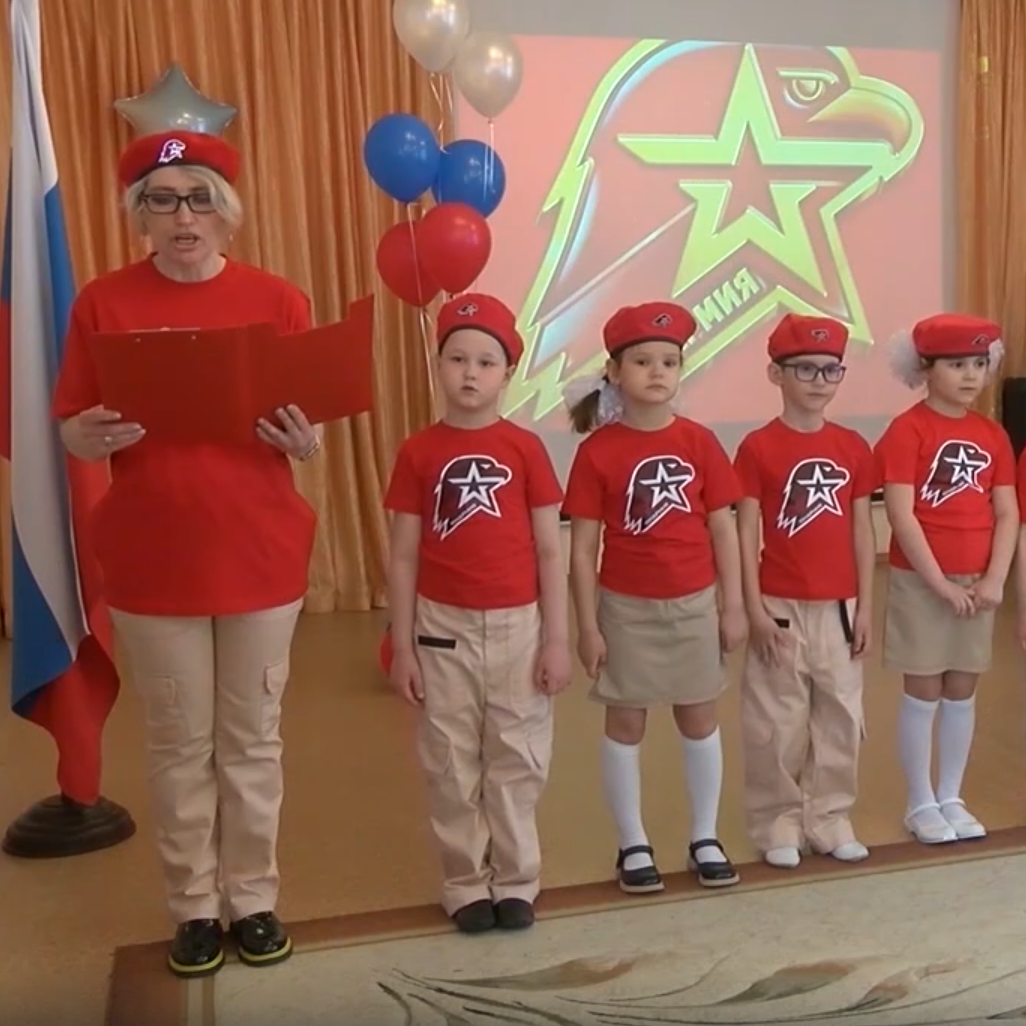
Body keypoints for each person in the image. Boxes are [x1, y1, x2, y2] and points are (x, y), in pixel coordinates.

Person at [52, 129, 322, 977]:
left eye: (200, 198)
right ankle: (195, 909)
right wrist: (86, 435)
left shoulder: (278, 300)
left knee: (252, 740)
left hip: (259, 554)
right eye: (162, 201)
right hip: (152, 559)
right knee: (177, 744)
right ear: (140, 214)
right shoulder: (103, 303)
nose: (183, 217)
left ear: (227, 212)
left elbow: (308, 425)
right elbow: (70, 423)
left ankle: (254, 900)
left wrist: (305, 440)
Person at [383, 293, 572, 935]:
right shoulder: (418, 451)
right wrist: (403, 645)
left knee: (517, 755)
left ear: (507, 373)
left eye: (486, 362)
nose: (470, 373)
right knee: (450, 759)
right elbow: (403, 555)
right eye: (457, 359)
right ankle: (465, 882)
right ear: (438, 365)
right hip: (442, 629)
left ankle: (516, 879)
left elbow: (550, 549)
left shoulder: (525, 448)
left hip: (520, 626)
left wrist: (557, 640)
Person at [562, 301, 746, 894]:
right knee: (626, 721)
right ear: (614, 372)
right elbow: (582, 549)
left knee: (699, 717)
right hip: (625, 608)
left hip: (694, 604)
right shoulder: (597, 451)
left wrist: (733, 605)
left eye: (669, 361)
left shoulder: (699, 442)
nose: (657, 371)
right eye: (642, 361)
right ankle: (633, 843)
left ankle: (705, 836)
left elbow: (723, 529)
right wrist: (587, 626)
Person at [734, 313, 877, 870]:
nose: (820, 381)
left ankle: (830, 817)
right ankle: (778, 822)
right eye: (806, 369)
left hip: (840, 606)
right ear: (776, 374)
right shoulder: (757, 447)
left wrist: (865, 606)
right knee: (777, 720)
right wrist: (753, 609)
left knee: (840, 714)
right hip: (779, 604)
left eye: (831, 370)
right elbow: (747, 533)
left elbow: (862, 531)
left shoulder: (852, 446)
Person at [875, 313, 1017, 845]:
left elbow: (1006, 511)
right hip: (923, 581)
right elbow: (901, 514)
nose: (970, 375)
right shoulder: (907, 429)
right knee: (924, 685)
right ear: (925, 369)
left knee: (962, 687)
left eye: (979, 363)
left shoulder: (992, 434)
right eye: (956, 364)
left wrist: (994, 578)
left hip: (977, 582)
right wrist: (939, 584)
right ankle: (920, 801)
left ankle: (951, 794)